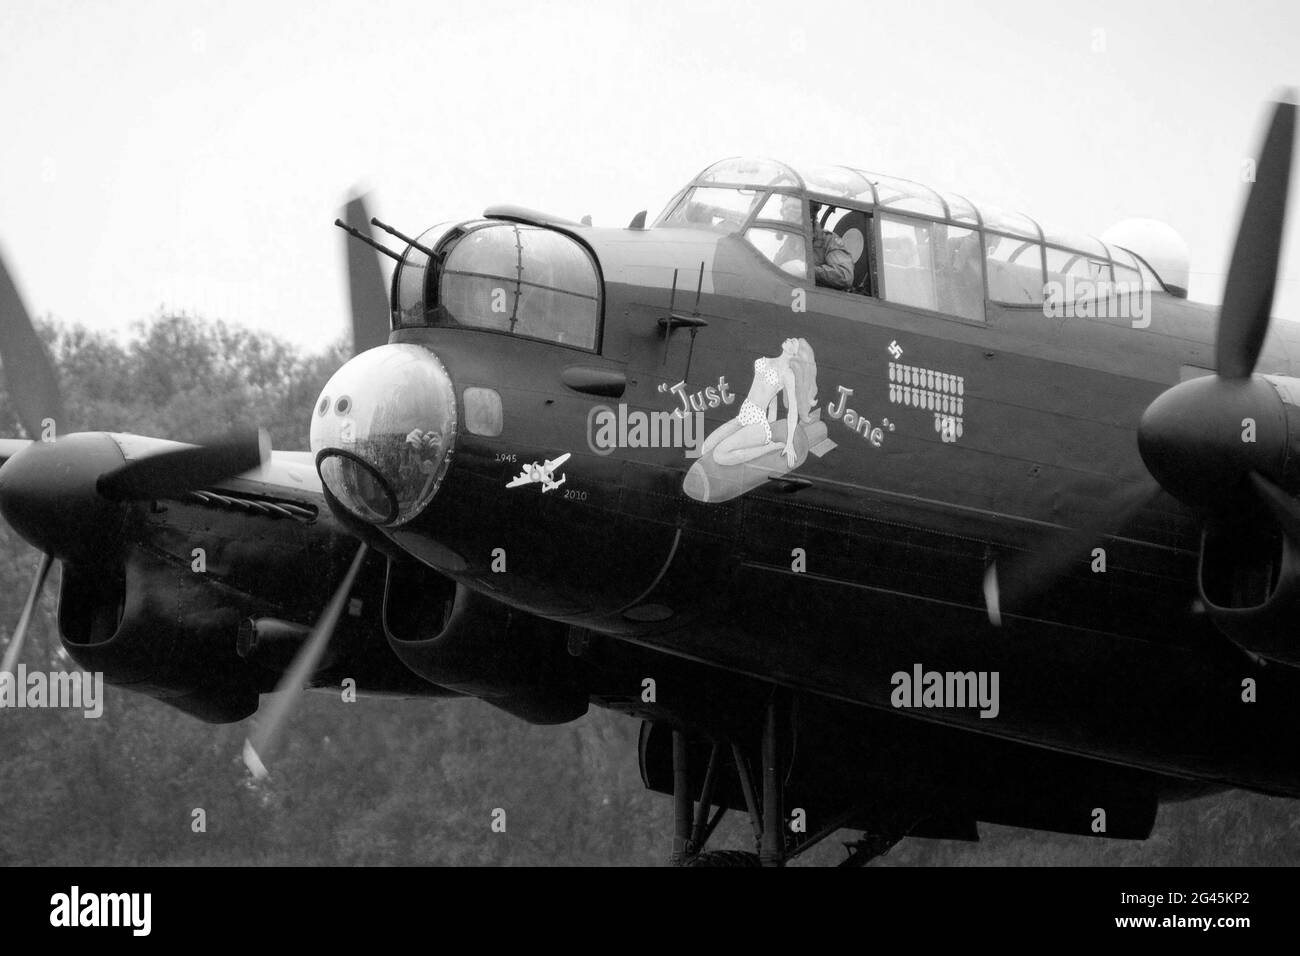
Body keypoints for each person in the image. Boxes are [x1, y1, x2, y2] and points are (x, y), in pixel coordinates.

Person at [699, 338, 818, 468]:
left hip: (758, 424)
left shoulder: (788, 375)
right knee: (705, 448)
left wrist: (789, 443)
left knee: (719, 455)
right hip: (743, 416)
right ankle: (759, 447)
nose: (788, 339)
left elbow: (793, 410)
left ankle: (769, 448)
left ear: (795, 352)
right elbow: (772, 398)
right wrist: (772, 420)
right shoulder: (763, 361)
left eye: (793, 342)